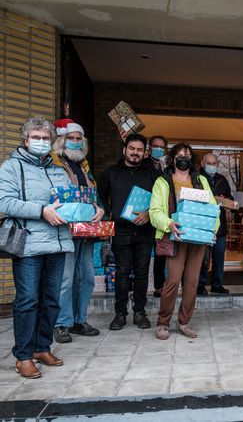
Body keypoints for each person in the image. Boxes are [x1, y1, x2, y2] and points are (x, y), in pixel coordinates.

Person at [0, 117, 75, 379]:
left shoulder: (57, 169)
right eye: (36, 137)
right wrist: (41, 210)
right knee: (27, 301)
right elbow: (6, 202)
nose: (42, 142)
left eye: (46, 138)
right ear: (25, 139)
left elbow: (70, 200)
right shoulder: (12, 167)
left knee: (51, 300)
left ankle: (42, 347)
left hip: (57, 242)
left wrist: (91, 209)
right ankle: (23, 356)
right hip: (29, 242)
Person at [149, 143, 219, 340]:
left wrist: (212, 229)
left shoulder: (201, 180)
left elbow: (213, 208)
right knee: (172, 281)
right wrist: (169, 223)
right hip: (176, 237)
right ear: (172, 158)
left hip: (197, 240)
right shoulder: (162, 182)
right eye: (180, 156)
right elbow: (154, 212)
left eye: (187, 156)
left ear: (192, 160)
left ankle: (184, 322)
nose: (183, 159)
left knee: (192, 282)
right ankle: (163, 323)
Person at [51, 119, 105, 343]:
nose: (75, 142)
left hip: (86, 230)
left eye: (78, 139)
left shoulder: (85, 167)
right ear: (61, 140)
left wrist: (99, 209)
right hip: (64, 230)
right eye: (71, 138)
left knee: (86, 278)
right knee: (65, 279)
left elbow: (93, 196)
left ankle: (79, 320)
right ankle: (61, 323)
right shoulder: (52, 164)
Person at [98, 134, 159, 331]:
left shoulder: (152, 174)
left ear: (145, 152)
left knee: (141, 272)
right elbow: (100, 198)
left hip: (145, 230)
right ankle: (120, 314)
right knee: (122, 272)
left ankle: (140, 312)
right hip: (121, 230)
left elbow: (161, 201)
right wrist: (111, 215)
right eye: (132, 148)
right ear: (124, 149)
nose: (135, 153)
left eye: (139, 150)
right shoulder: (110, 173)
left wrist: (149, 214)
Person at [197, 152, 232, 296]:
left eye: (214, 163)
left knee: (219, 256)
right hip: (202, 224)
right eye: (209, 163)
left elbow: (230, 198)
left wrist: (225, 200)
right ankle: (200, 285)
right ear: (202, 163)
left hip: (220, 225)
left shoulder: (222, 180)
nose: (212, 166)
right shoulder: (196, 178)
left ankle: (217, 284)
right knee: (202, 257)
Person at [147, 135, 168, 298]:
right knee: (144, 255)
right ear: (149, 148)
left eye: (161, 146)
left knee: (161, 254)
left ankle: (159, 285)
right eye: (155, 146)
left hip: (161, 216)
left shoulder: (166, 167)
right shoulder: (143, 165)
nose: (158, 149)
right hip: (145, 216)